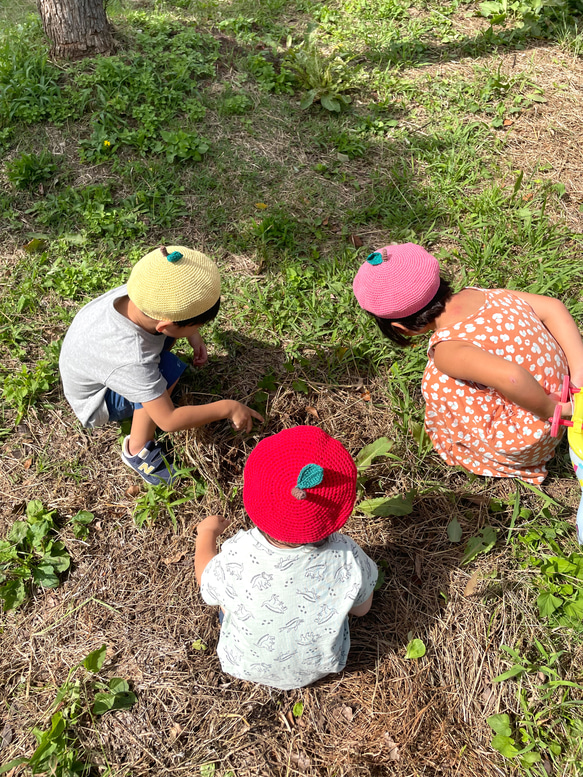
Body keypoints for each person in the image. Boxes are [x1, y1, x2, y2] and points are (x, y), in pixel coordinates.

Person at [353, 243, 583, 484]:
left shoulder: (447, 350)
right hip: (564, 385)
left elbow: (511, 377)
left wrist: (551, 410)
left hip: (536, 430)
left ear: (401, 328)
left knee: (437, 382)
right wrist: (578, 377)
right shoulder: (487, 295)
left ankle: (486, 453)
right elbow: (554, 308)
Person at [59, 245, 263, 484]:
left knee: (159, 368)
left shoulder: (144, 291)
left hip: (100, 363)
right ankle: (136, 451)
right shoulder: (133, 357)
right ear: (165, 327)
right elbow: (168, 420)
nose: (198, 331)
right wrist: (228, 407)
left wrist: (192, 335)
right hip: (99, 400)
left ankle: (149, 396)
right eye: (196, 326)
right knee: (165, 371)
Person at [195, 425, 378, 691]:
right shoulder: (347, 556)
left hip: (243, 664)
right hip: (322, 664)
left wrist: (206, 534)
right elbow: (363, 609)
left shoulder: (239, 552)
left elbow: (206, 584)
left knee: (225, 601)